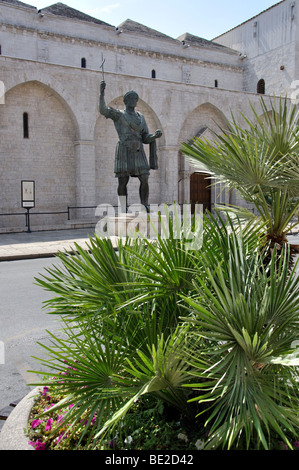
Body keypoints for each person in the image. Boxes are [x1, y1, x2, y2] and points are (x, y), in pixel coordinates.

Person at [99, 80, 162, 212]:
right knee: (123, 180)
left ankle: (144, 204)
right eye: (130, 98)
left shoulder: (141, 118)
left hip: (138, 149)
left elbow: (145, 137)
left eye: (135, 98)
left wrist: (154, 137)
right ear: (126, 101)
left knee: (144, 178)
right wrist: (102, 93)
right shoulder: (119, 114)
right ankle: (123, 206)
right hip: (124, 149)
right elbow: (103, 110)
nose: (133, 100)